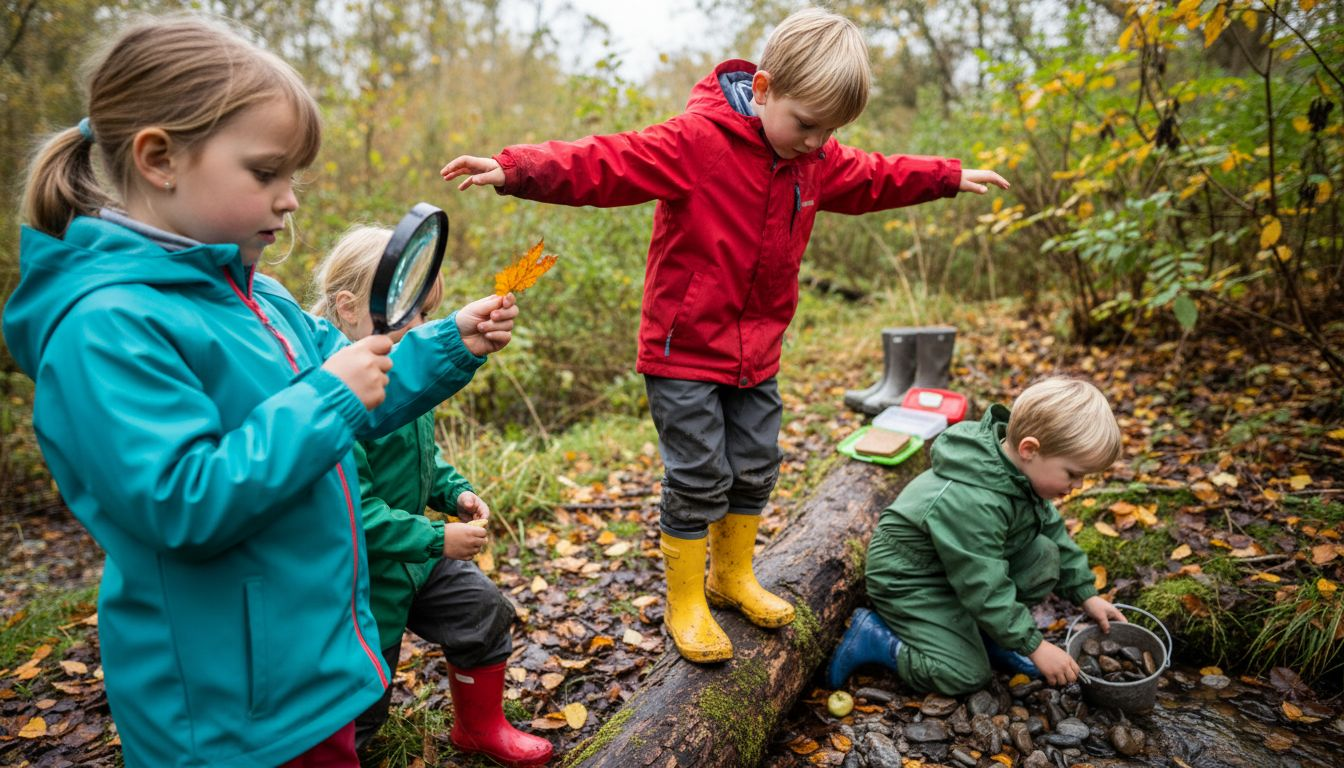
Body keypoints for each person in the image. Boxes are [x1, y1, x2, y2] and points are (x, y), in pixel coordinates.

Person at [2, 15, 518, 767]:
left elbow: (362, 384)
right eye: (266, 173)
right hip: (226, 706)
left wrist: (450, 341)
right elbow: (183, 501)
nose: (290, 200)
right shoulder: (106, 327)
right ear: (159, 159)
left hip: (306, 660)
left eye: (292, 178)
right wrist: (330, 398)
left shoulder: (261, 299)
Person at [440, 6, 1009, 663]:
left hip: (756, 354)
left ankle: (731, 574)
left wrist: (944, 177)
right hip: (684, 352)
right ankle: (687, 599)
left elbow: (875, 174)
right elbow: (606, 163)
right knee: (699, 472)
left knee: (757, 464)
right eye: (806, 125)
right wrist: (514, 169)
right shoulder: (698, 142)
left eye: (828, 132)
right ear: (763, 90)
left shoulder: (811, 158)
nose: (816, 143)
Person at [311, 226, 552, 766]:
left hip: (418, 560)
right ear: (349, 309)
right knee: (363, 698)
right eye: (410, 316)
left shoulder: (399, 378)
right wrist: (438, 537)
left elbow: (425, 451)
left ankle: (480, 726)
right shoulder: (332, 398)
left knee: (484, 611)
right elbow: (358, 514)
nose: (421, 329)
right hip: (363, 581)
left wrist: (454, 491)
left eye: (428, 314)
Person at [825, 377, 1127, 695]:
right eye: (1073, 474)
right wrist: (1034, 646)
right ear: (1029, 449)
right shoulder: (973, 500)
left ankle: (988, 635)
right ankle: (875, 637)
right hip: (910, 579)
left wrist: (1085, 594)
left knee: (1044, 556)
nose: (1077, 486)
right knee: (965, 674)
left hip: (956, 569)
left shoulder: (1019, 474)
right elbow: (984, 587)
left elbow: (1052, 532)